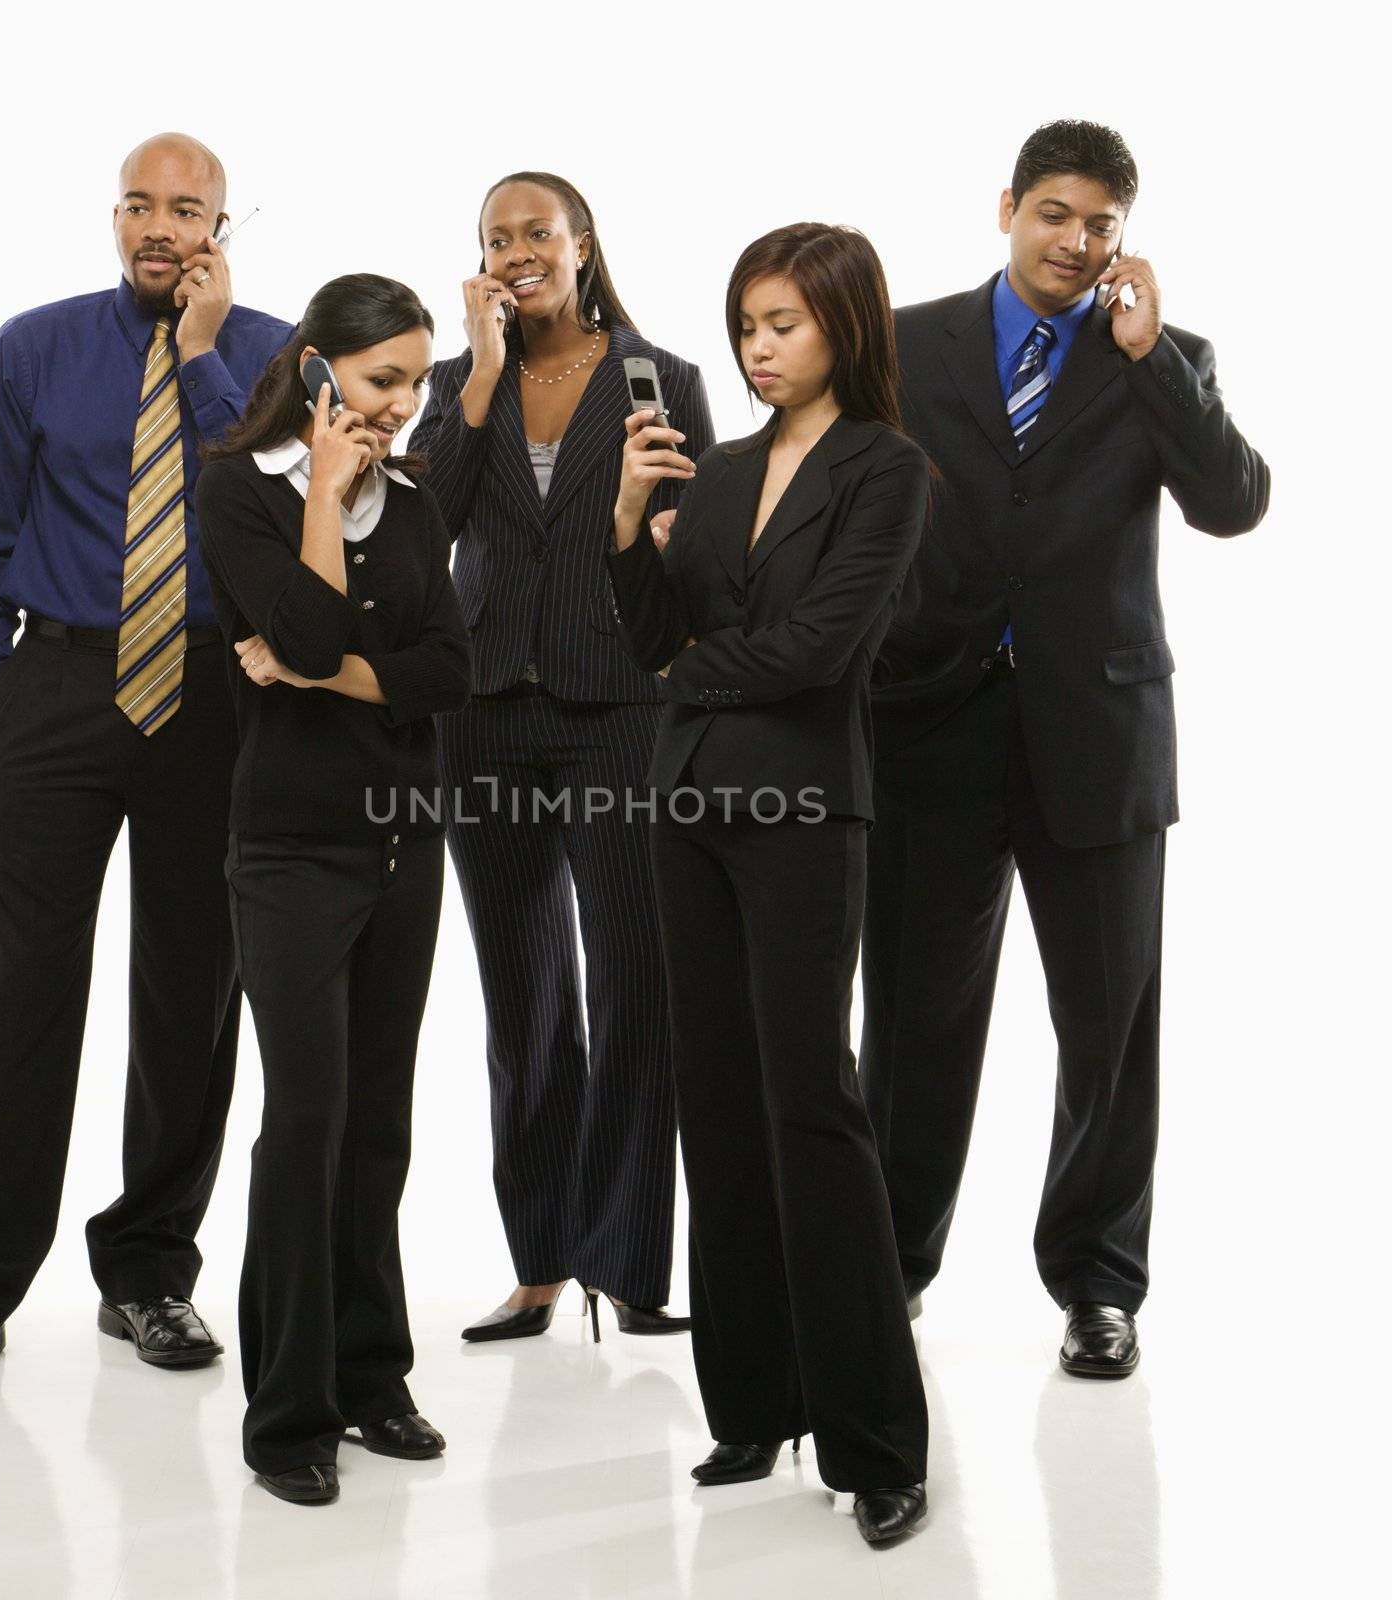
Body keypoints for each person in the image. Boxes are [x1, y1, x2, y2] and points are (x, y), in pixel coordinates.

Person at [859, 120, 1271, 1377]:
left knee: (1109, 1027)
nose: (1075, 242)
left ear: (1121, 237)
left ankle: (1099, 1283)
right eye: (1055, 213)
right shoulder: (907, 342)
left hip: (1097, 733)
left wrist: (1156, 364)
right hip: (931, 720)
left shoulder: (1161, 356)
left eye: (1100, 224)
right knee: (916, 1020)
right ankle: (889, 1266)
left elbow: (1233, 503)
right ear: (1007, 209)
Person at [0, 133, 291, 1401]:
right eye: (139, 205)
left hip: (218, 693)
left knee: (193, 985)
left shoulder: (281, 355)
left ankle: (149, 1273)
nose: (160, 227)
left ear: (227, 224)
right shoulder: (34, 346)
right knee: (21, 985)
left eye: (187, 208)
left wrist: (205, 357)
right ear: (114, 219)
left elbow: (295, 524)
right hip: (58, 687)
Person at [605, 223, 931, 1545]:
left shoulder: (888, 469)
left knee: (813, 1101)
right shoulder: (723, 468)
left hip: (805, 812)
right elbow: (648, 637)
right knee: (717, 1100)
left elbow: (821, 647)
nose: (758, 345)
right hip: (685, 809)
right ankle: (750, 1406)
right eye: (747, 322)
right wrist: (632, 522)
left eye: (785, 321)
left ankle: (875, 1441)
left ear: (846, 325)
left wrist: (700, 662)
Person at [409, 171, 714, 1342]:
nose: (517, 249)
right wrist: (478, 375)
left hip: (621, 705)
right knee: (522, 993)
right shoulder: (454, 386)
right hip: (482, 709)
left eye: (537, 231)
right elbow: (421, 523)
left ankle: (630, 1262)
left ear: (581, 244)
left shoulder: (658, 377)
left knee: (634, 982)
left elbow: (685, 548)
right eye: (497, 237)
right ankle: (539, 1259)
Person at [195, 274, 471, 1506]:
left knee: (377, 1125)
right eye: (380, 382)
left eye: (416, 380)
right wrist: (318, 494)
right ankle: (288, 1411)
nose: (404, 406)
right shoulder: (235, 488)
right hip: (295, 851)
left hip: (406, 842)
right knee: (304, 1123)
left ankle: (374, 1378)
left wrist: (331, 674)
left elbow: (445, 672)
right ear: (317, 373)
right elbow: (299, 635)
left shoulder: (413, 503)